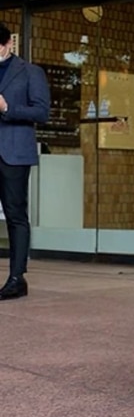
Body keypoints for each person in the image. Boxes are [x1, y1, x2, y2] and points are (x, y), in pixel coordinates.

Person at [0, 22, 51, 301]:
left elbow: (42, 112)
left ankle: (17, 278)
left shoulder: (31, 72)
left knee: (15, 215)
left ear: (8, 44)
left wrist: (7, 108)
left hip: (14, 153)